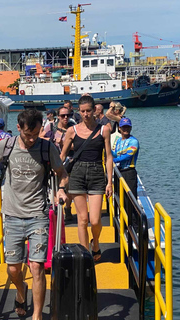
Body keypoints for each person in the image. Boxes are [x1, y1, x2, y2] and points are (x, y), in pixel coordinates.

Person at [0, 109, 68, 319]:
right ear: (19, 128)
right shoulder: (7, 146)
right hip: (12, 215)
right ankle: (21, 292)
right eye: (27, 135)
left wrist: (61, 189)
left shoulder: (46, 148)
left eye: (36, 134)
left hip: (38, 215)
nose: (32, 139)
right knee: (13, 270)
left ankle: (37, 315)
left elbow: (62, 173)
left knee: (37, 267)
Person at [60, 95, 113, 262]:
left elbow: (109, 157)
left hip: (97, 173)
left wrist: (109, 181)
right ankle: (85, 256)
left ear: (94, 111)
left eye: (88, 111)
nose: (85, 114)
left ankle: (95, 241)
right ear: (79, 112)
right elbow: (62, 156)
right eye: (82, 111)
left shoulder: (104, 130)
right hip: (77, 173)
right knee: (82, 219)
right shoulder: (72, 131)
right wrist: (57, 177)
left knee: (95, 220)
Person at [43, 106, 74, 221]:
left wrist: (63, 144)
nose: (65, 118)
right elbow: (40, 138)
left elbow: (77, 145)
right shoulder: (50, 127)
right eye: (62, 116)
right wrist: (51, 141)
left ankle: (68, 208)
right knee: (55, 187)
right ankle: (57, 209)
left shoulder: (73, 127)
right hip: (54, 160)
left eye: (68, 115)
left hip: (69, 160)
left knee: (69, 187)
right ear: (58, 116)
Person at [112, 117, 139, 226]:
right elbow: (115, 153)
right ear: (119, 128)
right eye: (123, 127)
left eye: (127, 127)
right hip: (119, 172)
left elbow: (127, 156)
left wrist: (113, 160)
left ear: (131, 128)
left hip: (129, 172)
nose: (125, 129)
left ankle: (135, 226)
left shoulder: (134, 141)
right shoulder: (118, 141)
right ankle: (124, 223)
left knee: (131, 199)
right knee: (120, 198)